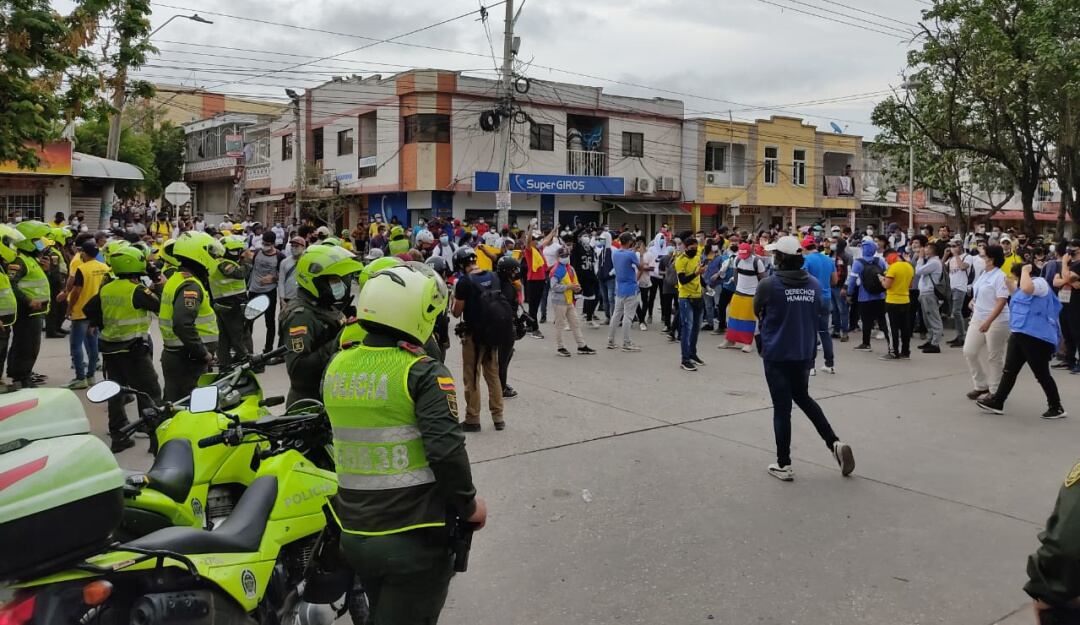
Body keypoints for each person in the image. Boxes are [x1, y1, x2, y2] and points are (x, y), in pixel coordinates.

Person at [323, 263, 486, 625]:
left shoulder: (337, 365)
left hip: (355, 533)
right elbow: (445, 451)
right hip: (412, 538)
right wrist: (470, 505)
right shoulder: (421, 372)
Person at [754, 235, 855, 482]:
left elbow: (757, 309)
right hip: (804, 351)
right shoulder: (811, 284)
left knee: (782, 409)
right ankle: (834, 443)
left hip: (777, 353)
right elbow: (823, 309)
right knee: (803, 397)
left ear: (780, 258)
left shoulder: (769, 284)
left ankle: (784, 464)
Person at [84, 246, 161, 452]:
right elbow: (159, 305)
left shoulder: (107, 288)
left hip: (110, 350)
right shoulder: (136, 290)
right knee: (150, 392)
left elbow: (89, 308)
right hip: (133, 350)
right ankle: (156, 439)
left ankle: (119, 436)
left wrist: (98, 322)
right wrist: (159, 283)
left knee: (115, 393)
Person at [976, 262, 1066, 419]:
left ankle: (1056, 407)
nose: (1014, 278)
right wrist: (1008, 283)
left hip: (1036, 337)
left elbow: (1027, 288)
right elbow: (1017, 294)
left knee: (1041, 374)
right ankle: (998, 401)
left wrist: (1025, 270)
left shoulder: (1040, 283)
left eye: (1015, 275)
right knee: (1009, 370)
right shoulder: (1021, 287)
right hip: (1019, 334)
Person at [281, 244, 362, 405]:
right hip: (310, 402)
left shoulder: (323, 304)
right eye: (333, 280)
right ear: (314, 280)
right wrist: (338, 342)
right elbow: (298, 370)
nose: (339, 284)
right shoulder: (301, 316)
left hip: (330, 393)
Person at [159, 232, 221, 402]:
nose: (214, 258)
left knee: (174, 403)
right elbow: (182, 324)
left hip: (179, 355)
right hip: (188, 358)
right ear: (198, 253)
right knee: (189, 408)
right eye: (211, 253)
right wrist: (203, 353)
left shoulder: (177, 278)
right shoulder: (190, 285)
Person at [451, 247, 506, 432]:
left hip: (473, 336)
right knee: (493, 375)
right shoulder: (493, 276)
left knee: (472, 377)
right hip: (493, 333)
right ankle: (498, 417)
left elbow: (457, 311)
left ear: (460, 263)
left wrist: (454, 298)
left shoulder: (465, 282)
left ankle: (473, 419)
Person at [7, 220, 52, 389]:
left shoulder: (30, 259)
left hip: (34, 312)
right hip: (27, 312)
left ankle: (18, 374)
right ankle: (22, 377)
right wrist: (28, 301)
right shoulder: (19, 261)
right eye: (36, 240)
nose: (40, 243)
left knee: (24, 344)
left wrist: (47, 270)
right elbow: (11, 284)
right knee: (28, 346)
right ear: (27, 241)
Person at [963, 245, 1010, 402]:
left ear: (991, 259)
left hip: (997, 321)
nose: (980, 259)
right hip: (978, 317)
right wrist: (973, 301)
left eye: (983, 256)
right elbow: (979, 291)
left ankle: (995, 392)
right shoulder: (984, 273)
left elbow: (1001, 301)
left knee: (994, 357)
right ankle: (981, 385)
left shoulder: (1000, 276)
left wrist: (989, 321)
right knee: (969, 351)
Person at [63, 240, 110, 389]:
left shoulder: (82, 269)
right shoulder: (105, 268)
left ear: (84, 253)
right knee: (93, 344)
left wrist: (69, 308)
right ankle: (91, 377)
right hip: (96, 313)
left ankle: (80, 377)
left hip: (81, 312)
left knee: (76, 346)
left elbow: (76, 291)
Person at [210, 235, 253, 368]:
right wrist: (248, 261)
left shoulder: (217, 262)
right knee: (239, 336)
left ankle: (225, 364)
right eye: (235, 251)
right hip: (232, 305)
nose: (238, 253)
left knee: (223, 337)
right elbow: (239, 274)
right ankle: (249, 362)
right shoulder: (224, 263)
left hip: (223, 304)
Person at [548, 247, 597, 358]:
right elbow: (554, 286)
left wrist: (577, 287)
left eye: (566, 256)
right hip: (559, 301)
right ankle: (560, 347)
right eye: (563, 256)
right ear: (558, 257)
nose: (565, 258)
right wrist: (569, 287)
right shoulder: (556, 270)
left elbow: (574, 281)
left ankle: (581, 345)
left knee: (575, 323)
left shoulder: (570, 268)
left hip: (569, 300)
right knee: (559, 325)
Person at [718, 243, 765, 353]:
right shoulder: (737, 260)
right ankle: (730, 339)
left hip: (752, 295)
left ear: (750, 252)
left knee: (748, 320)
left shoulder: (757, 262)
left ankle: (747, 343)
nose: (744, 257)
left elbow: (763, 279)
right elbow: (735, 275)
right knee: (732, 318)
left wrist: (759, 294)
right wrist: (738, 288)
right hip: (738, 293)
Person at [801, 237, 837, 374]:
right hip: (826, 298)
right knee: (824, 332)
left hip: (811, 298)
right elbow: (834, 280)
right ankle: (829, 364)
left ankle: (811, 366)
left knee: (810, 332)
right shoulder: (828, 259)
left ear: (804, 248)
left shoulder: (807, 260)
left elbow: (803, 278)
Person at [246, 231, 285, 355]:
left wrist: (273, 279)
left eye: (268, 244)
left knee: (270, 322)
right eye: (263, 243)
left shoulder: (280, 256)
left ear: (273, 244)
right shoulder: (257, 252)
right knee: (248, 321)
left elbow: (282, 275)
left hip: (269, 292)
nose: (265, 246)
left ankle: (268, 350)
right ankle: (247, 350)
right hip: (253, 291)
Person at [846, 239, 888, 352]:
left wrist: (849, 294)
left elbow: (852, 280)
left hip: (864, 297)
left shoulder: (858, 262)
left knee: (866, 320)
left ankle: (866, 344)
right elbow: (886, 275)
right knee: (882, 319)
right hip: (880, 296)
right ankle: (891, 343)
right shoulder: (880, 261)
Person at [674, 231, 706, 371]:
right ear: (686, 247)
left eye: (696, 247)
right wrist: (696, 273)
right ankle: (684, 359)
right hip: (686, 297)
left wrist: (706, 285)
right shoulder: (680, 260)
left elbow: (698, 277)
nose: (694, 250)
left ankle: (693, 354)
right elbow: (683, 280)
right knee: (687, 328)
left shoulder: (698, 256)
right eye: (691, 248)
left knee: (696, 328)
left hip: (698, 296)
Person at [607, 232, 642, 352]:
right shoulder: (631, 254)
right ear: (629, 242)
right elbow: (640, 267)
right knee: (628, 316)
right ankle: (626, 343)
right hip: (630, 288)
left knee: (616, 315)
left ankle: (610, 340)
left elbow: (625, 257)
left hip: (620, 287)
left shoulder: (616, 253)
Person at [879, 250, 915, 360]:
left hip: (892, 301)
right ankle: (905, 351)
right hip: (906, 300)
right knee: (905, 328)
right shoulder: (909, 267)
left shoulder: (893, 268)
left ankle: (893, 351)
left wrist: (882, 279)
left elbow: (887, 285)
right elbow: (910, 285)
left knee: (891, 328)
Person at [914, 239, 945, 353]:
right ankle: (931, 340)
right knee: (927, 319)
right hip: (925, 293)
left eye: (927, 248)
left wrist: (921, 258)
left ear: (933, 251)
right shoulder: (930, 261)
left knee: (933, 318)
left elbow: (918, 271)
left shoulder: (934, 262)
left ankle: (935, 343)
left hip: (930, 293)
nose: (924, 249)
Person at [944, 239, 970, 347]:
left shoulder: (967, 257)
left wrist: (956, 255)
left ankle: (962, 337)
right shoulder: (951, 259)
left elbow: (963, 267)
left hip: (960, 287)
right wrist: (945, 256)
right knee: (954, 313)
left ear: (960, 246)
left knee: (956, 311)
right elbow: (940, 267)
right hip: (951, 287)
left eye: (955, 246)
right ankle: (959, 335)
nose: (952, 248)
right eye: (951, 246)